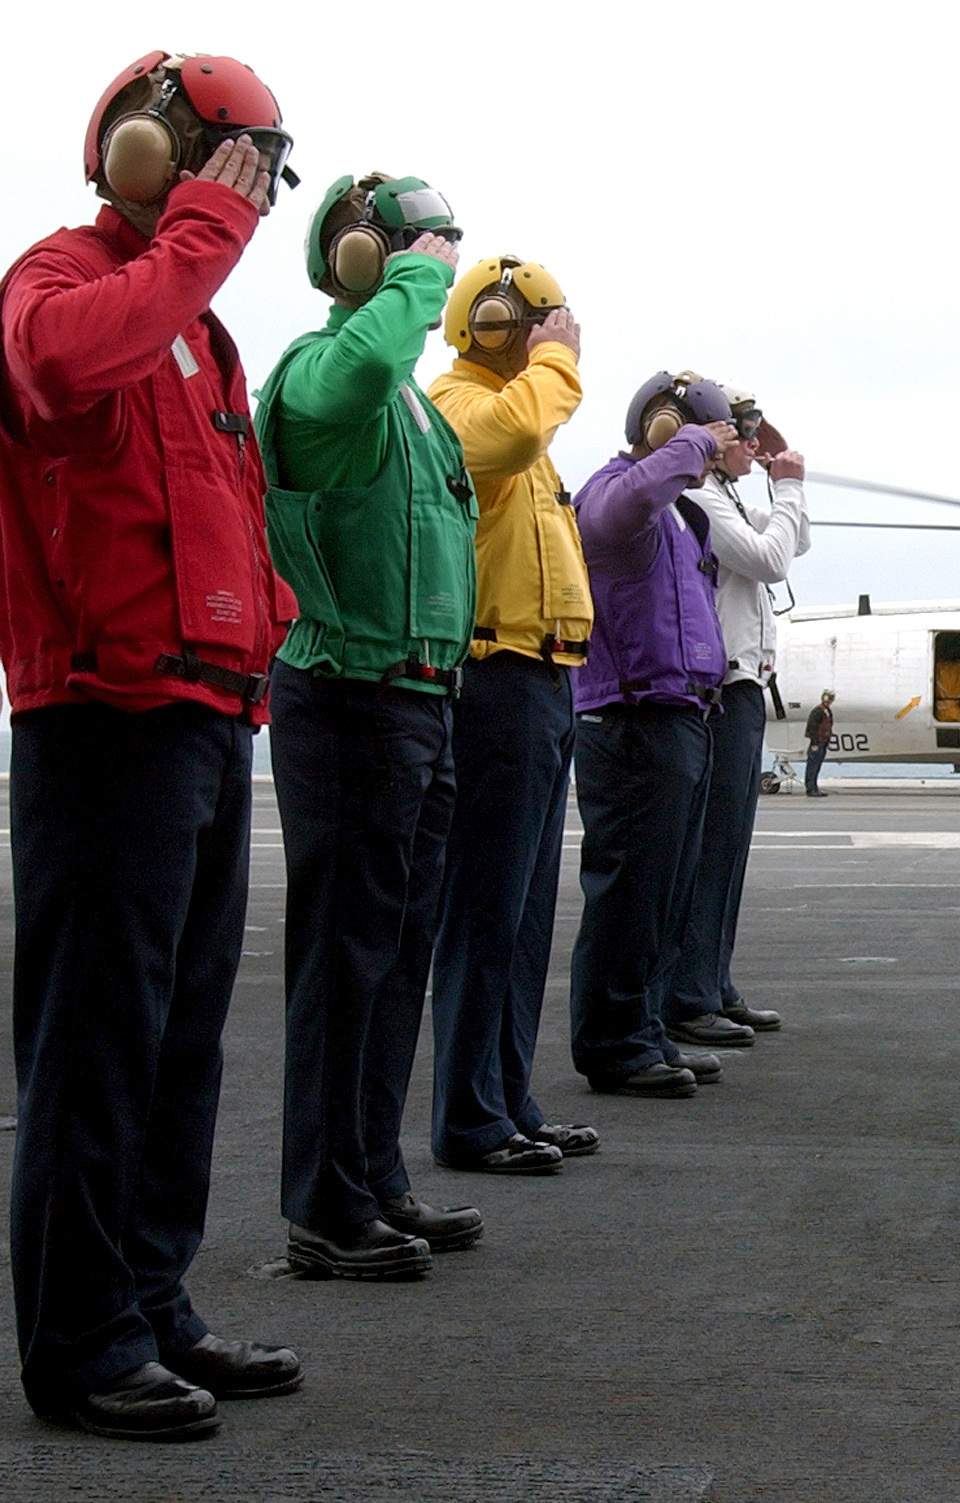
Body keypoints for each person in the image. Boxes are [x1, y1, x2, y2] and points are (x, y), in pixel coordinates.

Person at [0, 51, 300, 1440]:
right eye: (233, 159)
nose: (247, 197)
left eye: (260, 175)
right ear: (144, 148)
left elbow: (220, 509)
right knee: (97, 1046)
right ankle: (80, 1341)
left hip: (200, 710)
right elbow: (69, 365)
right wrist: (195, 236)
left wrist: (265, 634)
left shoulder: (205, 333)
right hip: (102, 722)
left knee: (179, 1039)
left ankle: (150, 1294)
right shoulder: (61, 279)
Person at [257, 172, 483, 1278]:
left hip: (415, 696)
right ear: (360, 259)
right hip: (346, 694)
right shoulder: (325, 369)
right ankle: (323, 1205)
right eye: (416, 248)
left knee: (396, 954)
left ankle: (372, 1174)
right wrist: (408, 280)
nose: (439, 264)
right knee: (345, 956)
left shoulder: (412, 404)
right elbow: (355, 370)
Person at [426, 256, 597, 1173]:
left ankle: (506, 1097)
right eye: (536, 326)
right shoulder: (459, 406)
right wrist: (556, 364)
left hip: (542, 679)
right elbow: (512, 436)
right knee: (485, 911)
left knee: (526, 916)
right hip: (492, 684)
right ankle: (467, 1116)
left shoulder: (525, 422)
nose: (553, 339)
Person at [568, 374, 735, 1096]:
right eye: (707, 435)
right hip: (635, 720)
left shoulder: (674, 517)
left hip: (681, 716)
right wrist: (691, 442)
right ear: (666, 427)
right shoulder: (617, 493)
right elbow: (618, 509)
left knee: (664, 890)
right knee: (630, 891)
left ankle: (644, 1027)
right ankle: (613, 1041)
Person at [666, 382, 809, 1042]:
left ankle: (712, 982)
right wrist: (789, 488)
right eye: (740, 430)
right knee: (712, 846)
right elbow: (771, 557)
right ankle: (691, 992)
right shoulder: (698, 496)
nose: (753, 441)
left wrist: (784, 487)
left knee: (729, 847)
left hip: (743, 688)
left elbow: (791, 545)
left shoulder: (723, 496)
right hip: (723, 689)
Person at [804, 689, 835, 795]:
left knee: (816, 765)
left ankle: (814, 787)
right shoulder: (818, 711)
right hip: (818, 742)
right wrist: (814, 743)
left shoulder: (826, 711)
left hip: (823, 741)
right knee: (813, 764)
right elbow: (812, 727)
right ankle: (811, 788)